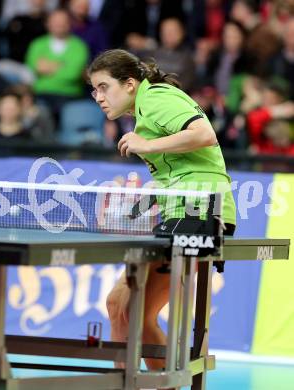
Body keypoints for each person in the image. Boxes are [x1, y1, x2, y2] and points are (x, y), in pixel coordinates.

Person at [88, 49, 236, 373]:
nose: (98, 96)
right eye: (94, 90)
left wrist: (146, 145)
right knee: (118, 305)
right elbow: (180, 166)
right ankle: (126, 381)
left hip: (200, 212)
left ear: (129, 84)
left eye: (103, 87)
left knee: (137, 314)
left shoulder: (155, 97)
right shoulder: (143, 110)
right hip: (178, 210)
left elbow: (204, 134)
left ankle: (170, 383)